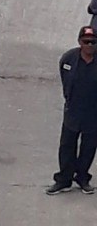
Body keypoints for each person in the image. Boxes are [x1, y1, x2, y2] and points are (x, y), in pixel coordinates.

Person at [46, 26, 97, 195]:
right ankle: (64, 179)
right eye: (86, 42)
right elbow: (64, 79)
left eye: (93, 42)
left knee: (89, 147)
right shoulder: (69, 59)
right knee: (67, 145)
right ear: (79, 42)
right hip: (74, 110)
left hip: (93, 112)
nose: (90, 45)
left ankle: (82, 177)